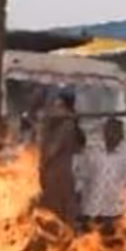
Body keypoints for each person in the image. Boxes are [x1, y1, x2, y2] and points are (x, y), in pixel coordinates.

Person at [79, 118, 126, 239]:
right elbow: (84, 176)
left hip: (115, 211)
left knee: (112, 242)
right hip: (92, 209)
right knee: (89, 242)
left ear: (121, 134)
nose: (113, 134)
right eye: (110, 130)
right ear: (104, 132)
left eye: (117, 131)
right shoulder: (93, 151)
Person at [37, 92, 86, 227]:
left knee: (59, 205)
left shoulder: (67, 125)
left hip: (58, 171)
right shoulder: (57, 124)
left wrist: (43, 164)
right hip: (56, 170)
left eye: (58, 105)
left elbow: (54, 149)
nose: (54, 109)